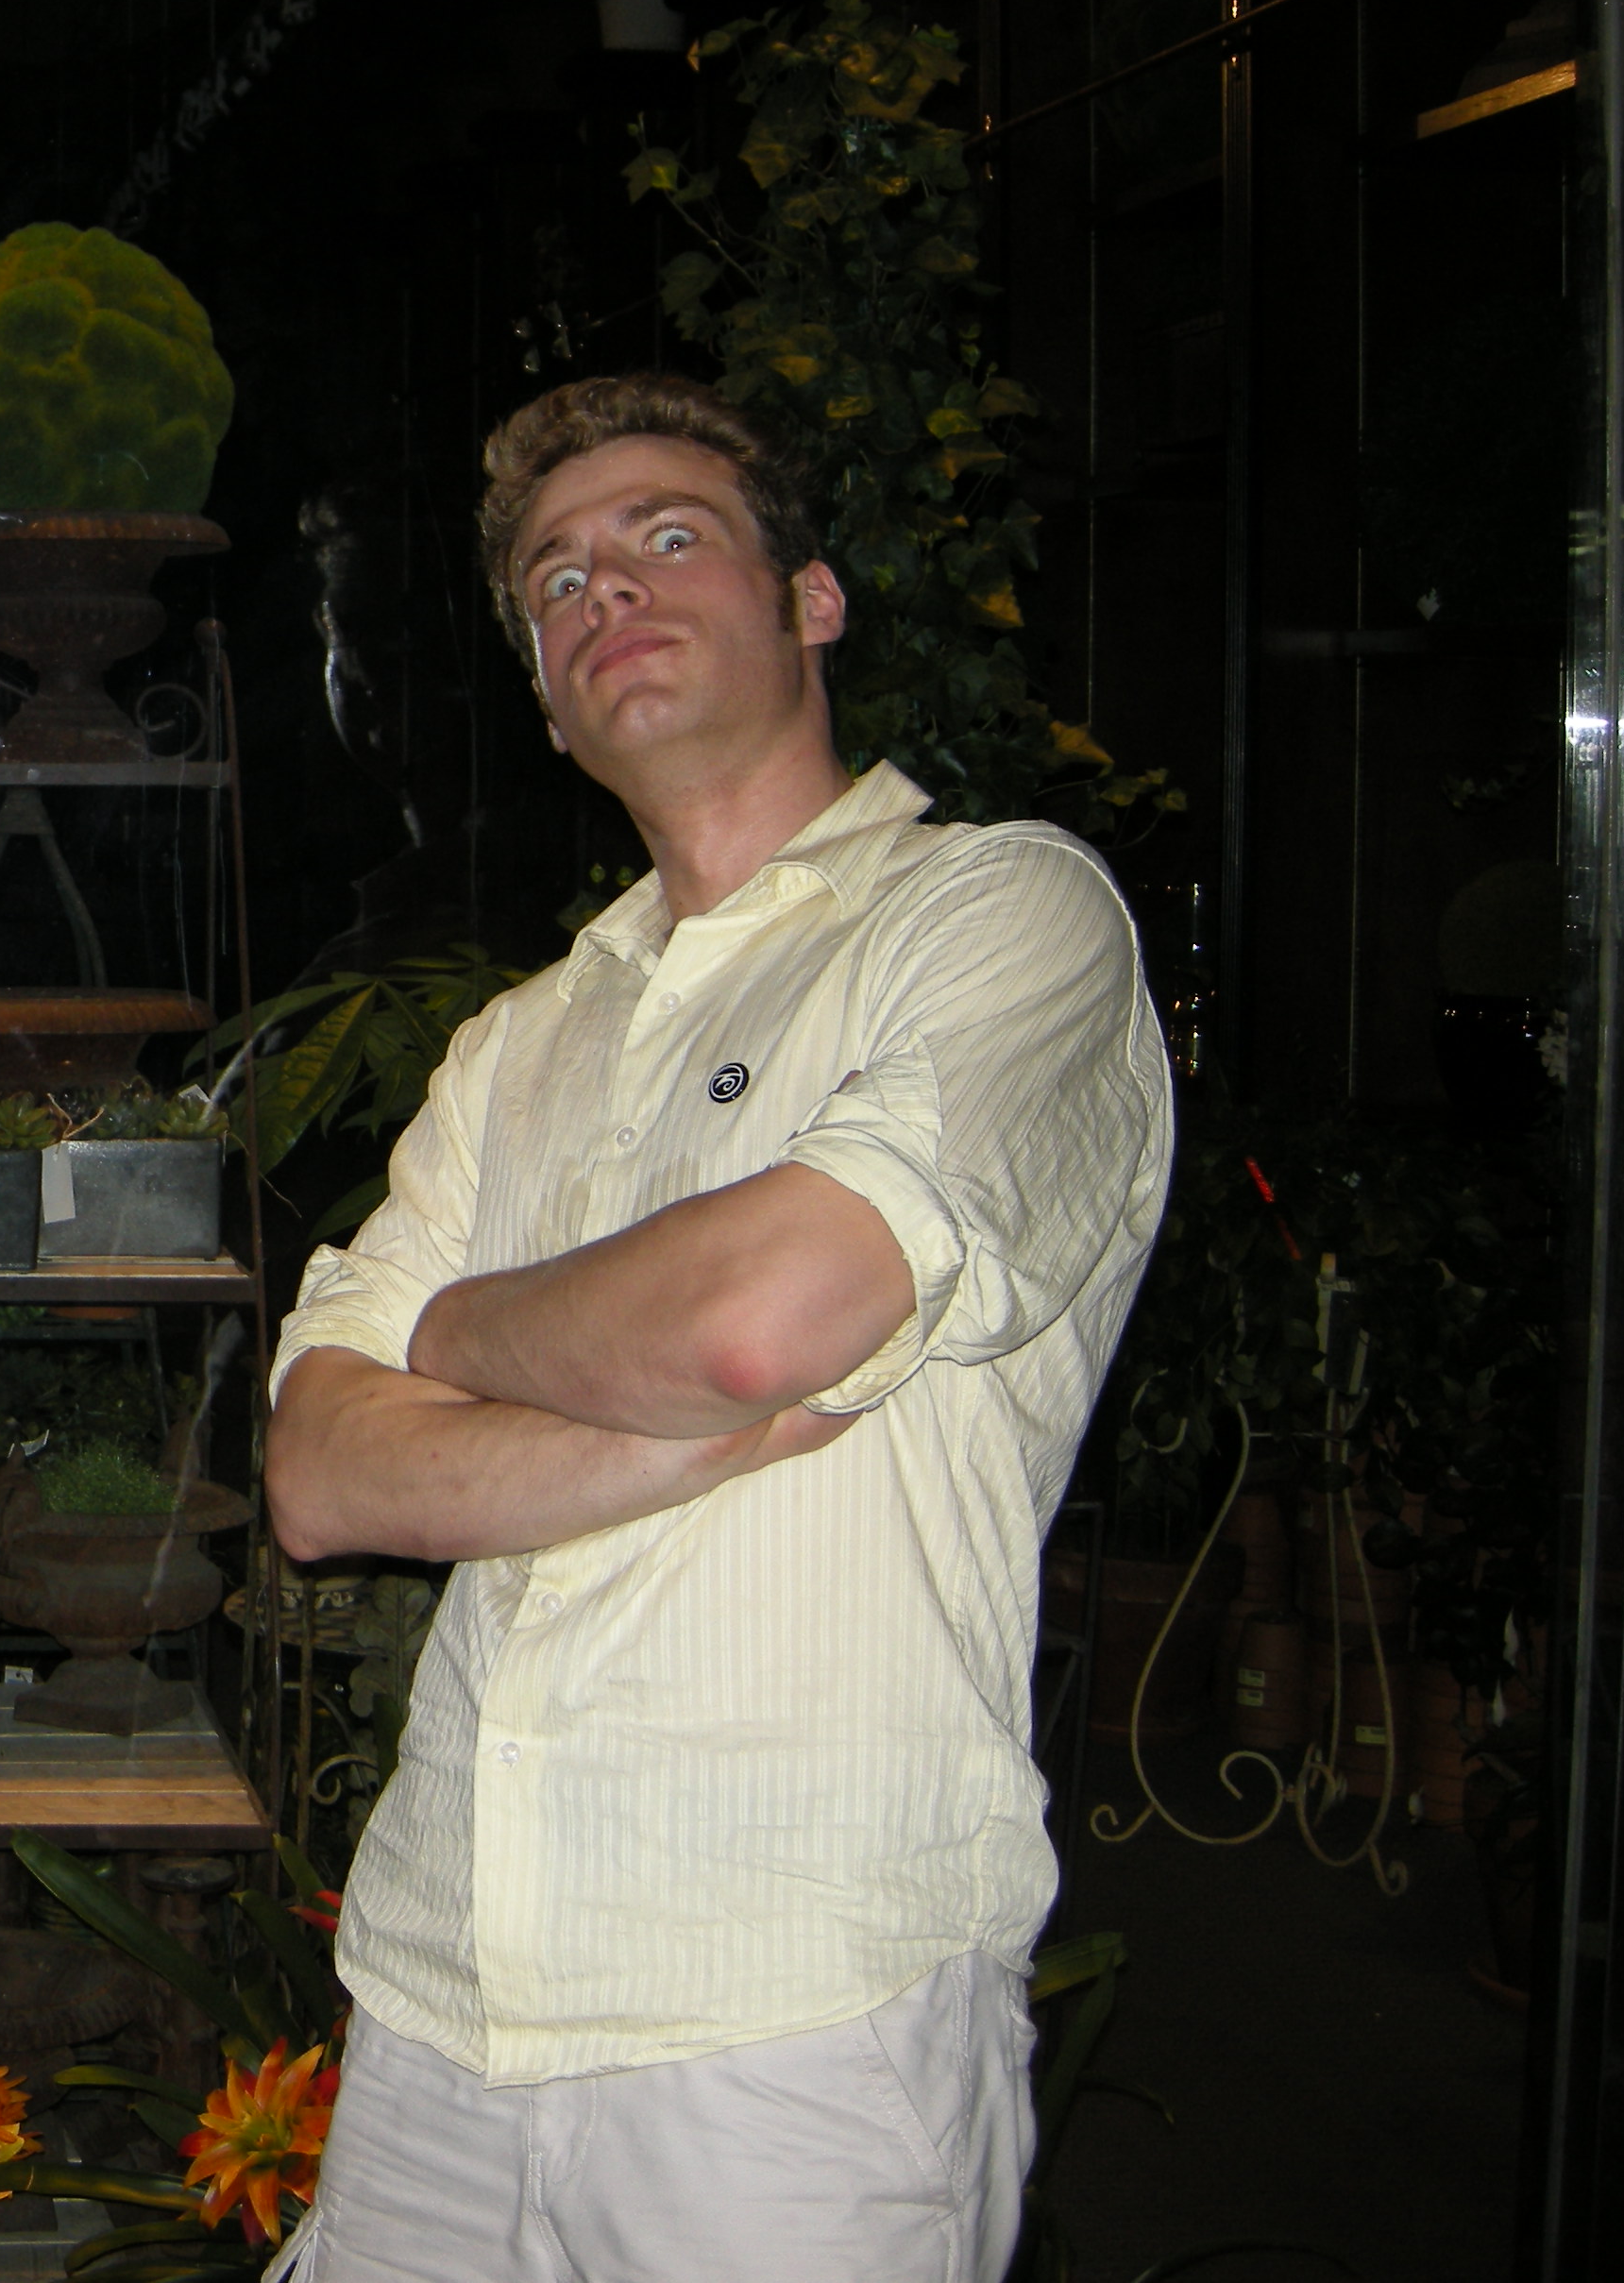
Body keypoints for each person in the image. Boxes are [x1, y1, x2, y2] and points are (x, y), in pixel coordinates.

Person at [261, 373, 1173, 2283]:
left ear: (810, 600)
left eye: (668, 538)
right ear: (544, 697)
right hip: (442, 2001)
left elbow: (766, 1316)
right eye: (555, 580)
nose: (605, 589)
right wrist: (670, 1425)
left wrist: (464, 1330)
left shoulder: (998, 917)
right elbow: (324, 1472)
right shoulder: (514, 1045)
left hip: (789, 2023)